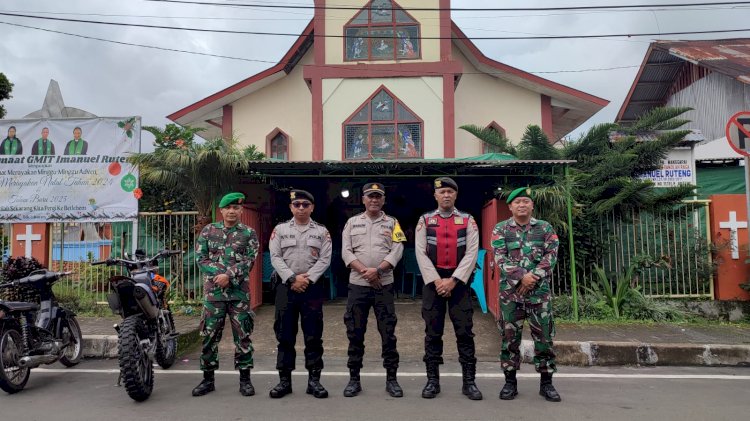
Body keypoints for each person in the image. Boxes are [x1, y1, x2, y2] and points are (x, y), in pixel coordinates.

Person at [415, 177, 483, 400]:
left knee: (464, 332)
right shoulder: (425, 220)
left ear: (456, 195)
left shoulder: (468, 220)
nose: (446, 195)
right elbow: (420, 253)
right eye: (442, 191)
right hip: (433, 283)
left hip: (459, 284)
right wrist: (437, 281)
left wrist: (453, 280)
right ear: (435, 195)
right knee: (432, 333)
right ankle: (432, 381)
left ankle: (469, 382)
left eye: (450, 192)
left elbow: (472, 253)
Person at [491, 187, 561, 402]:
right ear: (510, 206)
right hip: (511, 296)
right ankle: (510, 383)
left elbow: (552, 254)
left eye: (526, 201)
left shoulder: (545, 228)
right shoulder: (501, 229)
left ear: (532, 205)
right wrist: (522, 277)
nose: (522, 205)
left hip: (539, 295)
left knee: (544, 339)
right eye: (517, 202)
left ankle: (546, 384)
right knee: (509, 339)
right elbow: (500, 258)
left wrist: (533, 278)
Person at [341, 182, 406, 398]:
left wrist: (378, 270)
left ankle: (392, 380)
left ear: (384, 199)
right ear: (363, 199)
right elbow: (346, 252)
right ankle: (354, 380)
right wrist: (366, 272)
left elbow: (398, 249)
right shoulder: (352, 223)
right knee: (355, 333)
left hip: (384, 285)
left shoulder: (393, 223)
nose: (374, 200)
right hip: (358, 286)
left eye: (378, 196)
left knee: (388, 333)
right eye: (370, 196)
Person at [192, 192, 259, 397]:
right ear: (221, 210)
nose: (232, 211)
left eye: (236, 208)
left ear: (241, 210)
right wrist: (219, 276)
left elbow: (250, 260)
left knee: (243, 337)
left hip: (239, 294)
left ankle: (245, 380)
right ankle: (207, 380)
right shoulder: (208, 231)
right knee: (210, 337)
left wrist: (229, 276)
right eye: (228, 208)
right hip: (214, 295)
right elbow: (200, 258)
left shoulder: (248, 233)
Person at [268, 189, 332, 399]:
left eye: (306, 204)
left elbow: (325, 259)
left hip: (311, 289)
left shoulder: (322, 232)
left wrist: (307, 279)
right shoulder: (280, 229)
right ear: (291, 207)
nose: (301, 208)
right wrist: (292, 278)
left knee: (313, 336)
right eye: (297, 205)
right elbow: (275, 257)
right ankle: (284, 381)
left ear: (312, 207)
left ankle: (314, 381)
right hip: (286, 288)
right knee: (285, 336)